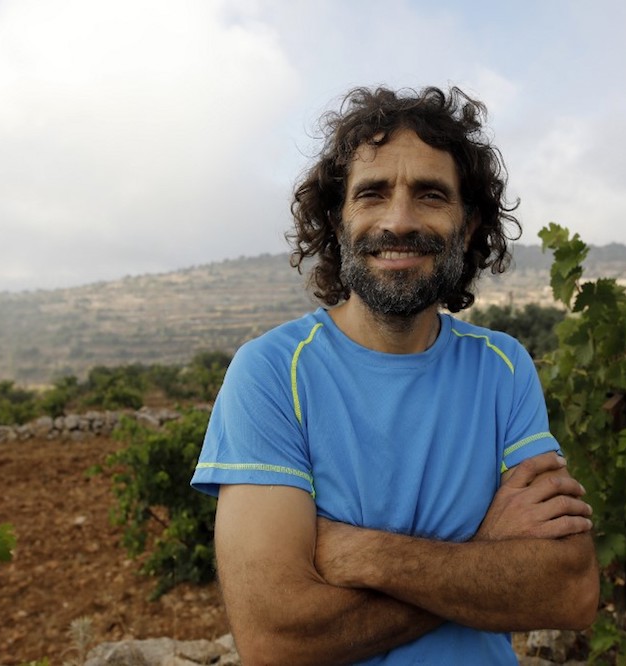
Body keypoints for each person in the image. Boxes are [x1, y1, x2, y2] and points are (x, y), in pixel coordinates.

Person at [190, 86, 599, 665]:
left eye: (431, 194)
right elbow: (277, 638)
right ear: (338, 220)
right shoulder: (272, 372)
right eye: (373, 194)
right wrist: (486, 555)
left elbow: (568, 588)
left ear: (469, 221)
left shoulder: (503, 368)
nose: (400, 220)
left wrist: (365, 555)